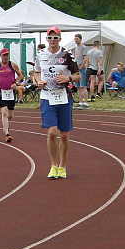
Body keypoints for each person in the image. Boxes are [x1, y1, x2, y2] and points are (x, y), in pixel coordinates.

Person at [33, 26, 80, 180]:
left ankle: (63, 165)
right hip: (47, 97)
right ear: (46, 39)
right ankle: (53, 165)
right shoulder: (41, 54)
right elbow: (37, 71)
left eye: (56, 37)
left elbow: (78, 75)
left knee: (64, 135)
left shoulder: (67, 55)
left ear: (60, 38)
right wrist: (38, 81)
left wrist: (68, 79)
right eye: (50, 37)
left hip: (64, 96)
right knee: (52, 132)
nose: (52, 40)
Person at [0, 48, 23, 143]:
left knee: (10, 115)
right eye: (4, 55)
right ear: (1, 56)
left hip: (11, 92)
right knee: (4, 113)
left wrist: (16, 83)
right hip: (2, 91)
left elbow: (20, 75)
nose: (5, 57)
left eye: (7, 55)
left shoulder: (13, 65)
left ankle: (6, 125)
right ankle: (7, 133)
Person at [72, 34, 90, 108]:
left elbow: (85, 58)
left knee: (83, 86)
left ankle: (85, 102)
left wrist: (81, 67)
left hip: (81, 68)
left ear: (81, 39)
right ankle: (80, 102)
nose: (76, 40)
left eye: (77, 39)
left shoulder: (84, 47)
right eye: (75, 39)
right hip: (76, 69)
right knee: (78, 86)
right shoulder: (76, 48)